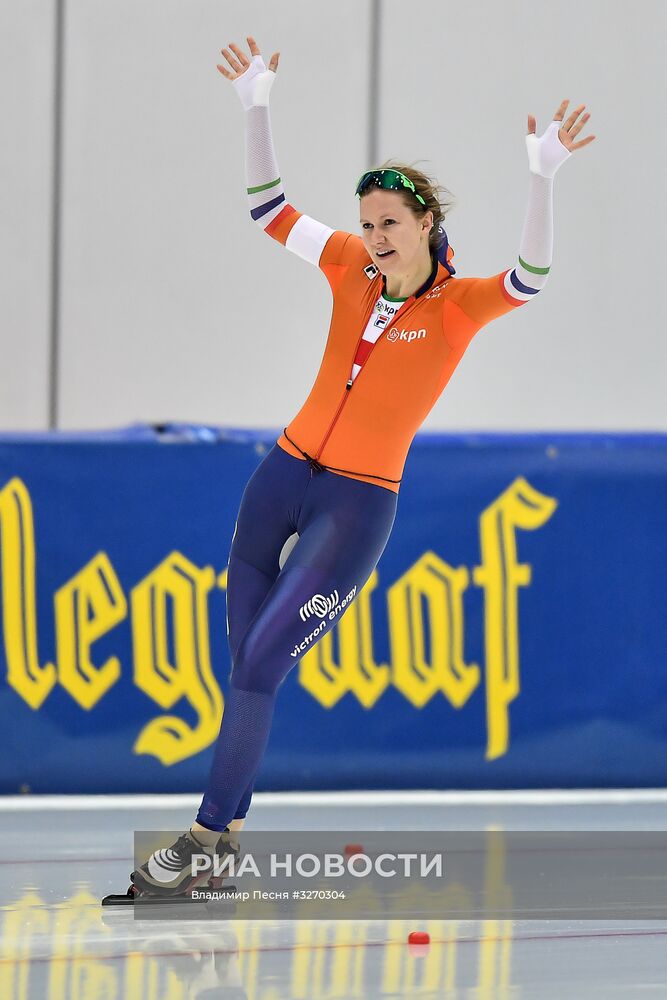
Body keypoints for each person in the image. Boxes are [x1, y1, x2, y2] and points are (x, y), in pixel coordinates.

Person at [129, 35, 595, 897]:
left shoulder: (456, 309)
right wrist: (255, 104)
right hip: (280, 476)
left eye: (390, 224)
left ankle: (200, 841)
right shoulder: (346, 262)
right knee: (244, 667)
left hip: (354, 505)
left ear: (426, 225)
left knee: (260, 666)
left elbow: (529, 279)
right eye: (368, 222)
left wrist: (542, 177)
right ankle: (223, 846)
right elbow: (271, 212)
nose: (374, 237)